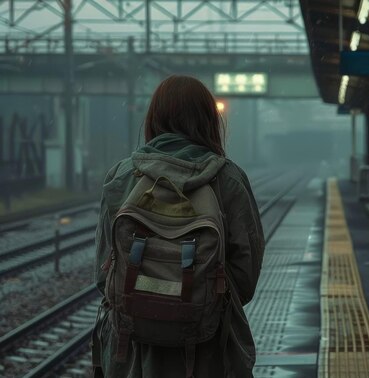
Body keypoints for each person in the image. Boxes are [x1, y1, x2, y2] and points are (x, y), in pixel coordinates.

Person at [91, 75, 265, 377]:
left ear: (154, 118)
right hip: (209, 354)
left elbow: (102, 274)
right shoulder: (229, 180)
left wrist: (149, 300)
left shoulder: (122, 177)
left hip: (130, 355)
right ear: (209, 120)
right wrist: (196, 299)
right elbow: (245, 278)